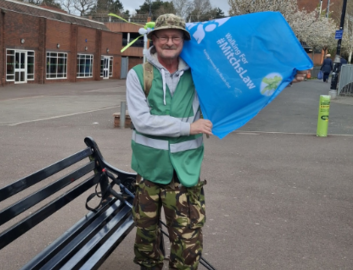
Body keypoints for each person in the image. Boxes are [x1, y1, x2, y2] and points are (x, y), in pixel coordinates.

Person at [126, 14, 308, 270]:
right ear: (153, 39)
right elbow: (142, 121)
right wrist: (188, 127)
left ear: (184, 41)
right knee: (146, 243)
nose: (169, 42)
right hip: (148, 173)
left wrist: (285, 78)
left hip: (185, 174)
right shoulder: (137, 75)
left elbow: (240, 86)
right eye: (164, 37)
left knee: (188, 246)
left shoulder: (200, 73)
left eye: (175, 37)